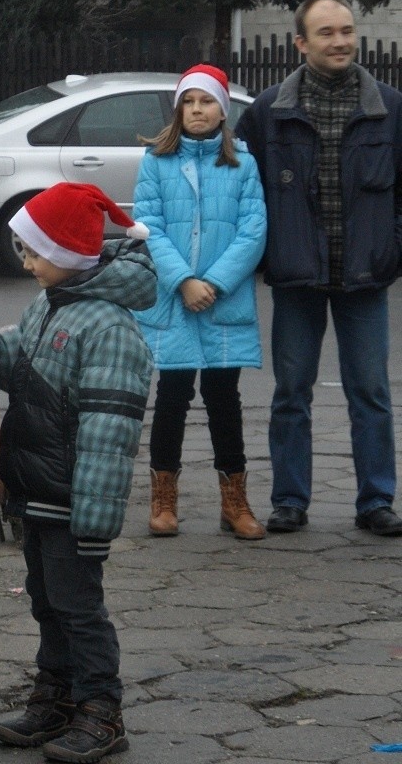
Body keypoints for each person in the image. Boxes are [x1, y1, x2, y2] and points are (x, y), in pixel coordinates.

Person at [0, 182, 156, 764]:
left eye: (34, 250)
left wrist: (96, 511)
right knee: (47, 601)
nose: (24, 261)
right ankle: (58, 696)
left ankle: (102, 708)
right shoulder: (52, 303)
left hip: (75, 497)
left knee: (78, 607)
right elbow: (16, 364)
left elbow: (109, 428)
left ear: (70, 252)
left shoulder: (109, 328)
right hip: (39, 489)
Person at [235, 0, 402, 535]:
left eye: (347, 31)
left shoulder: (391, 108)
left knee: (371, 393)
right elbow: (248, 195)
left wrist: (391, 253)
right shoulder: (268, 112)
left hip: (365, 278)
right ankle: (289, 499)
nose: (341, 42)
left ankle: (376, 501)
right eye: (327, 33)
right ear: (301, 43)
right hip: (297, 277)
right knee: (290, 394)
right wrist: (269, 256)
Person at [132, 63, 267, 540]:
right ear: (178, 109)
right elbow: (148, 228)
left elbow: (253, 231)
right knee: (170, 398)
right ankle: (163, 499)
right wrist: (184, 280)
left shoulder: (243, 163)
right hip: (173, 301)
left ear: (222, 109)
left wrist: (213, 282)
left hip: (222, 302)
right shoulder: (156, 161)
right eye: (188, 102)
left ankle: (235, 502)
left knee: (223, 400)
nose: (197, 110)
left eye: (206, 101)